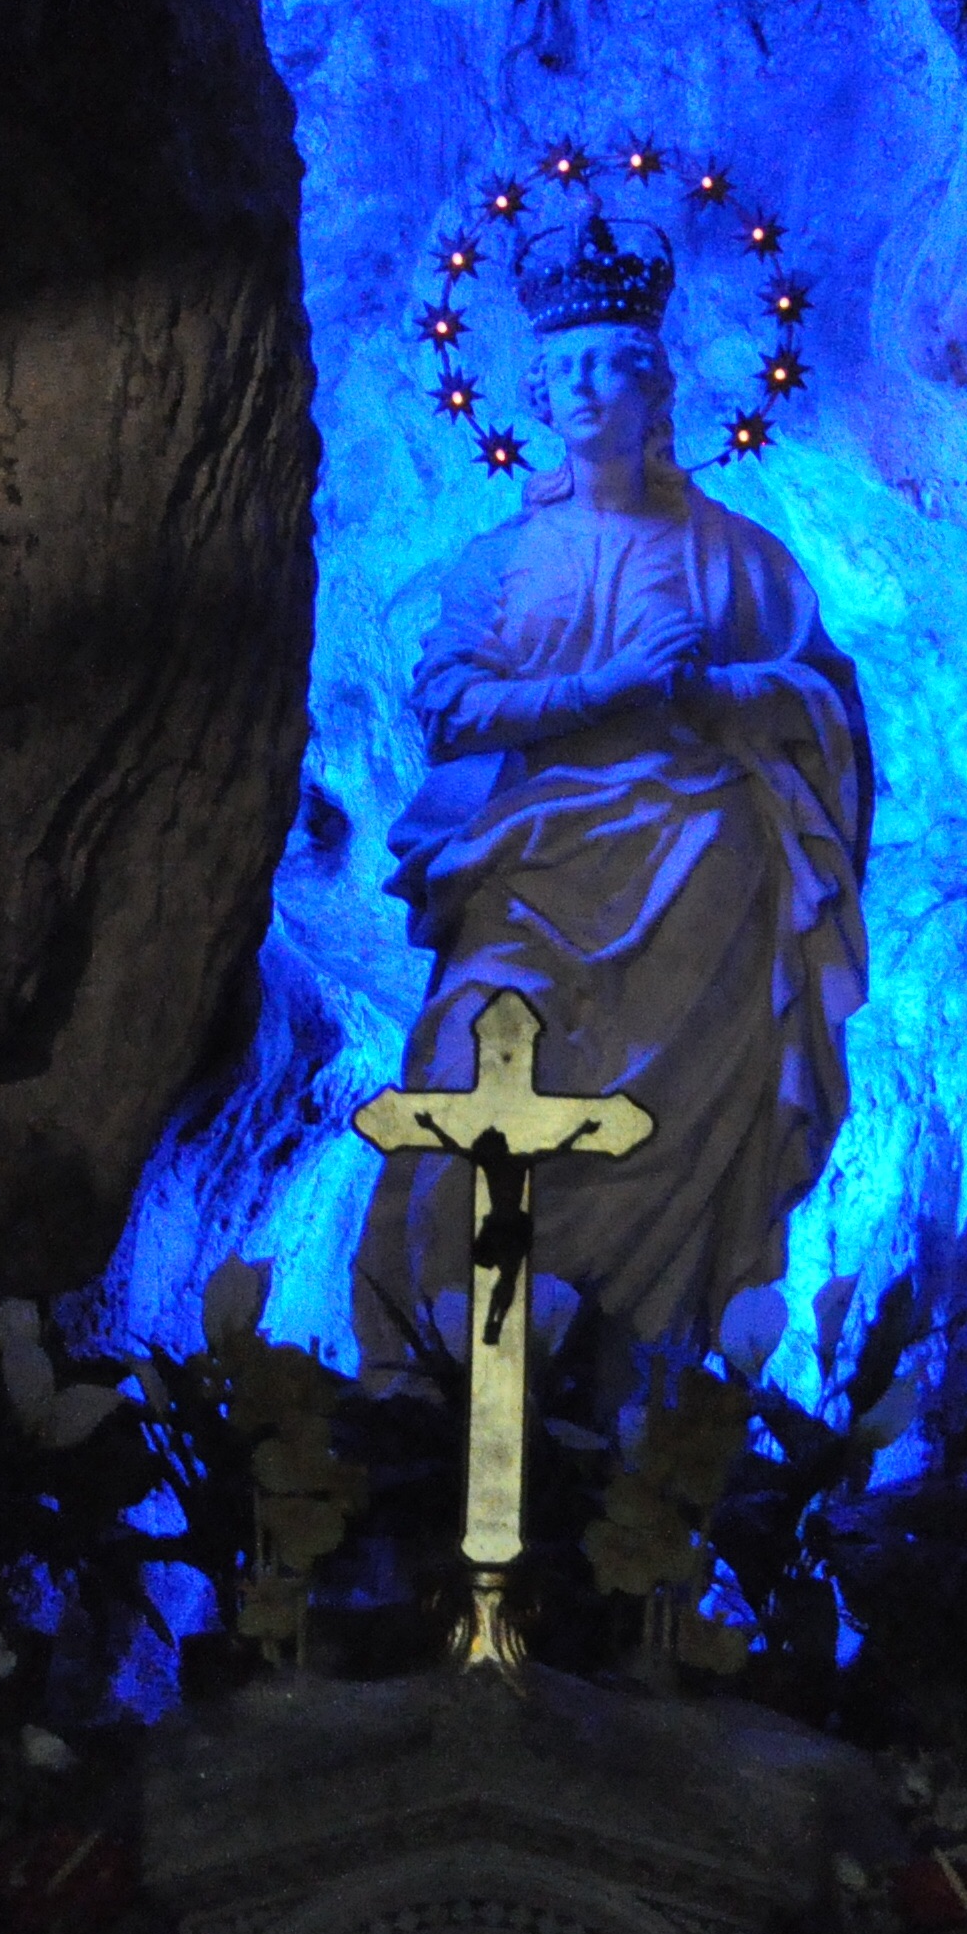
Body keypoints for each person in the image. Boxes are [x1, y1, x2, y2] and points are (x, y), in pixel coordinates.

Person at [355, 212, 873, 1371]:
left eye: (613, 362)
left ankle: (641, 1397)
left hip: (705, 878)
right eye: (567, 367)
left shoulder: (741, 555)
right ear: (537, 394)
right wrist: (604, 689)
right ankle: (446, 1386)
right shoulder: (498, 560)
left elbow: (822, 704)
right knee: (469, 1071)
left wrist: (709, 693)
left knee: (674, 1136)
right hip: (525, 876)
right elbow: (449, 706)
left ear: (656, 384)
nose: (590, 385)